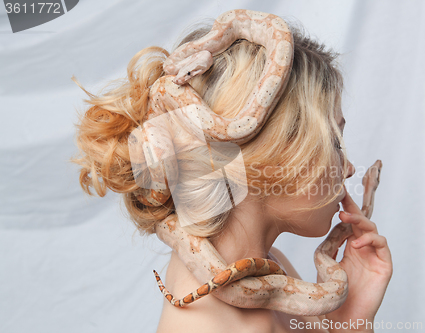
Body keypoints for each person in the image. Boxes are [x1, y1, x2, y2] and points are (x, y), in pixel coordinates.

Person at [72, 14, 392, 333]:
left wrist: (350, 322)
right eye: (334, 142)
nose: (349, 168)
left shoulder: (270, 269)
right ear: (272, 156)